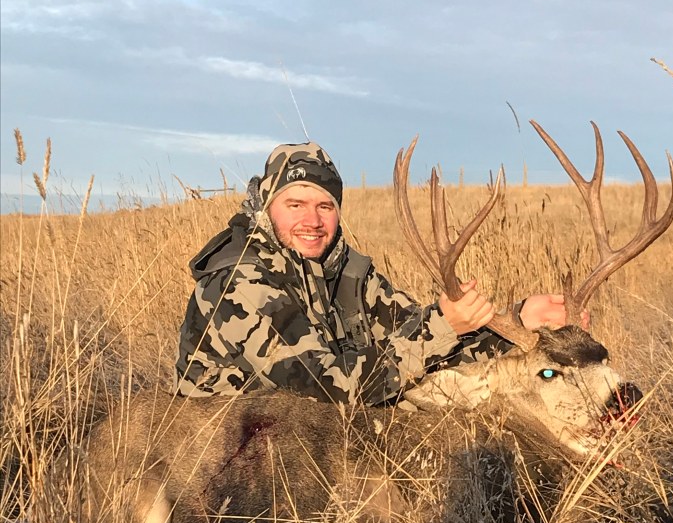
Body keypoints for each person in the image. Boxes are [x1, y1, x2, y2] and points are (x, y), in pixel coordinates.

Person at [175, 142, 573, 404]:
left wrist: (517, 320)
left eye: (325, 207)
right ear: (266, 207)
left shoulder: (346, 273)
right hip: (224, 463)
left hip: (308, 446)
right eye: (295, 205)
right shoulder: (240, 283)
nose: (312, 221)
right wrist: (442, 326)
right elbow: (326, 390)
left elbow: (422, 345)